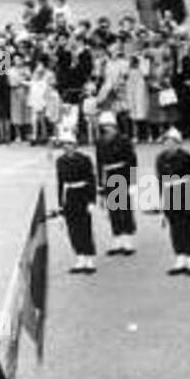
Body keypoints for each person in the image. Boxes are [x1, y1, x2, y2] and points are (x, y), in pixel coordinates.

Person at [155, 128, 190, 276]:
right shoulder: (160, 158)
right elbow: (161, 181)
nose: (168, 144)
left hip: (184, 193)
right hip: (169, 195)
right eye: (166, 142)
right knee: (174, 227)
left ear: (178, 143)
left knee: (186, 225)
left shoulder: (187, 158)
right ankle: (180, 257)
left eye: (172, 142)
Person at [94, 110, 137, 255]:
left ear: (115, 126)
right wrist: (100, 184)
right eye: (104, 126)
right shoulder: (100, 142)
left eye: (109, 125)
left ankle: (128, 240)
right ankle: (117, 239)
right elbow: (99, 163)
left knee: (124, 208)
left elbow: (132, 161)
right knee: (113, 209)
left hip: (122, 174)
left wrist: (133, 183)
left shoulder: (124, 140)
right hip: (109, 175)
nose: (107, 128)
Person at [55, 129, 97, 273]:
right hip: (69, 196)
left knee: (85, 227)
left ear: (75, 145)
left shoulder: (84, 159)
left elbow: (91, 180)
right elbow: (60, 183)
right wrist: (60, 206)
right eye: (64, 144)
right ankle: (80, 257)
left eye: (69, 143)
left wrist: (92, 200)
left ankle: (89, 258)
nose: (66, 146)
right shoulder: (60, 161)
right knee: (72, 229)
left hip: (82, 194)